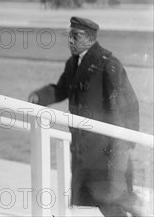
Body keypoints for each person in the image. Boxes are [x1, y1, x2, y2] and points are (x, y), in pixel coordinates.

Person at [28, 17, 145, 217]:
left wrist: (124, 145)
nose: (70, 41)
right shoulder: (73, 64)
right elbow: (62, 89)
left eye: (76, 36)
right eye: (69, 36)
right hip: (86, 147)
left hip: (108, 148)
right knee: (103, 199)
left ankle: (143, 208)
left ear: (90, 39)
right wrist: (40, 96)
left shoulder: (108, 64)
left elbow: (127, 105)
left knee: (115, 196)